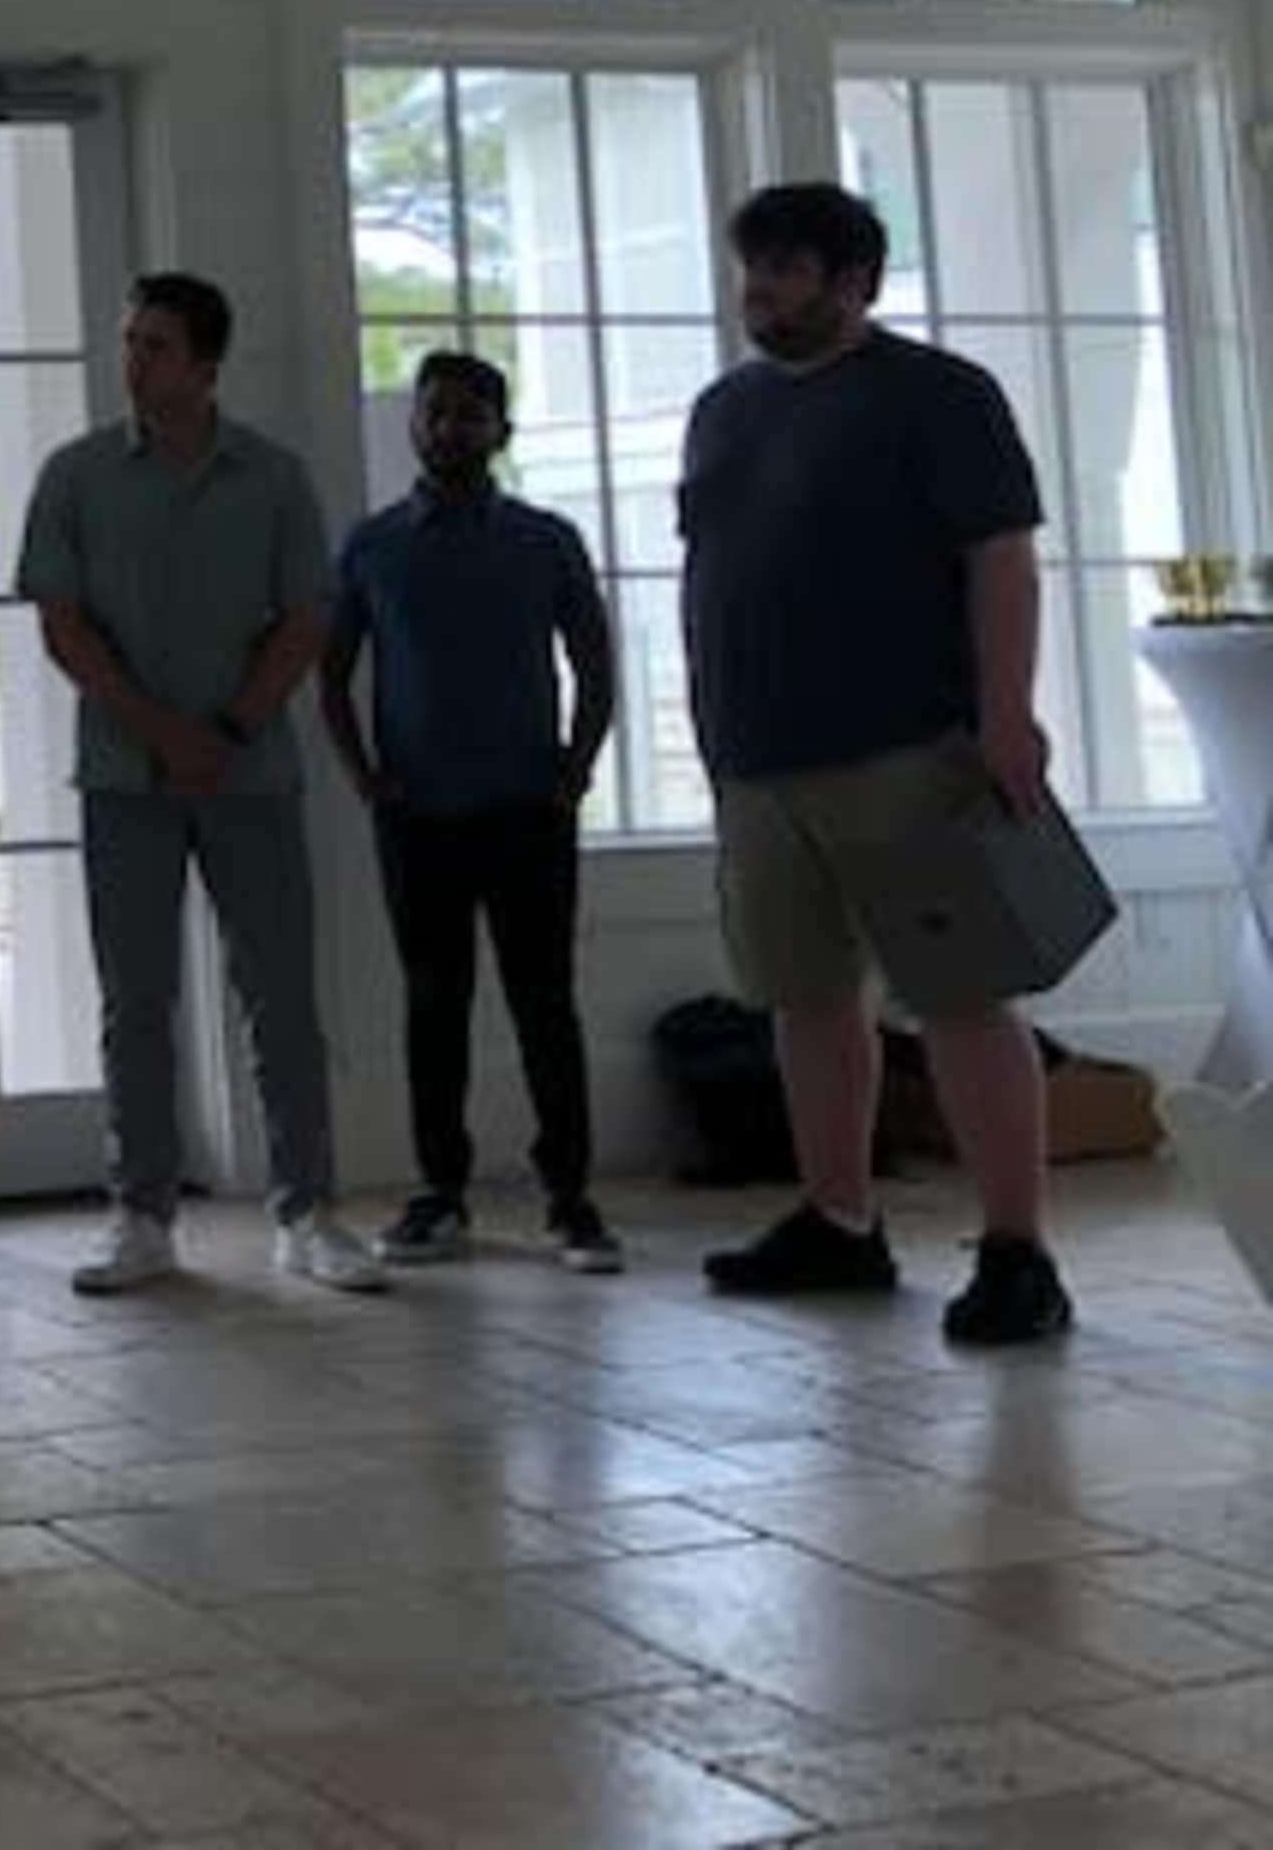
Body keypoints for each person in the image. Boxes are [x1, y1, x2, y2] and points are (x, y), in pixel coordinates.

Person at [679, 182, 1073, 1348]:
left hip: (905, 746)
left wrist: (1008, 715)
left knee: (959, 995)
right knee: (803, 997)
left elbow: (1001, 558)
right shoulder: (723, 411)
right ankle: (839, 1220)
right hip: (757, 760)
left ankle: (1018, 1252)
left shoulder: (940, 395)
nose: (759, 291)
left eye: (785, 270)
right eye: (752, 268)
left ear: (853, 282)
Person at [17, 273, 382, 1297]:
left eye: (157, 346)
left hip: (248, 773)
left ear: (208, 365)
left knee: (280, 994)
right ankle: (142, 1216)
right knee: (136, 999)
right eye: (129, 341)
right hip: (124, 776)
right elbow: (62, 624)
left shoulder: (274, 478)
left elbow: (305, 619)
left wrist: (225, 729)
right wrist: (160, 730)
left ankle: (308, 1212)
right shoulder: (78, 475)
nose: (134, 362)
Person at [320, 351, 623, 1275]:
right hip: (418, 818)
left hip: (529, 810)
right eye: (436, 412)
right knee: (433, 1006)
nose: (451, 428)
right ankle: (438, 1193)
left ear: (502, 430)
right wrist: (366, 780)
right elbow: (329, 675)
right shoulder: (373, 545)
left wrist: (577, 767)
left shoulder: (546, 539)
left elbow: (595, 660)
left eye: (471, 414)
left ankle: (571, 1200)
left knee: (545, 1003)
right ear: (414, 425)